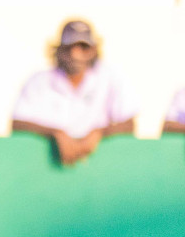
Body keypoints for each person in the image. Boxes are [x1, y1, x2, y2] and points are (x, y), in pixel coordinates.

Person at [12, 19, 136, 165]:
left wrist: (99, 133)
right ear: (60, 50)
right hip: (47, 168)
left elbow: (129, 123)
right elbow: (17, 123)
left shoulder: (110, 77)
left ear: (94, 50)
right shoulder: (39, 81)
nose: (76, 54)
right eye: (70, 47)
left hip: (101, 168)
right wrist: (56, 133)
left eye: (83, 47)